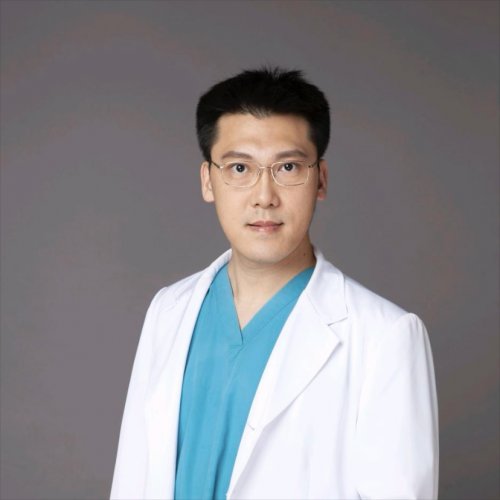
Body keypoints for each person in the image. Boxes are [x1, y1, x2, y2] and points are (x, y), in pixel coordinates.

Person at [110, 67, 439, 500]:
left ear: (321, 179)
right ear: (208, 180)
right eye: (239, 167)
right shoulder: (168, 310)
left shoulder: (385, 337)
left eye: (287, 167)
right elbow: (133, 478)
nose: (264, 196)